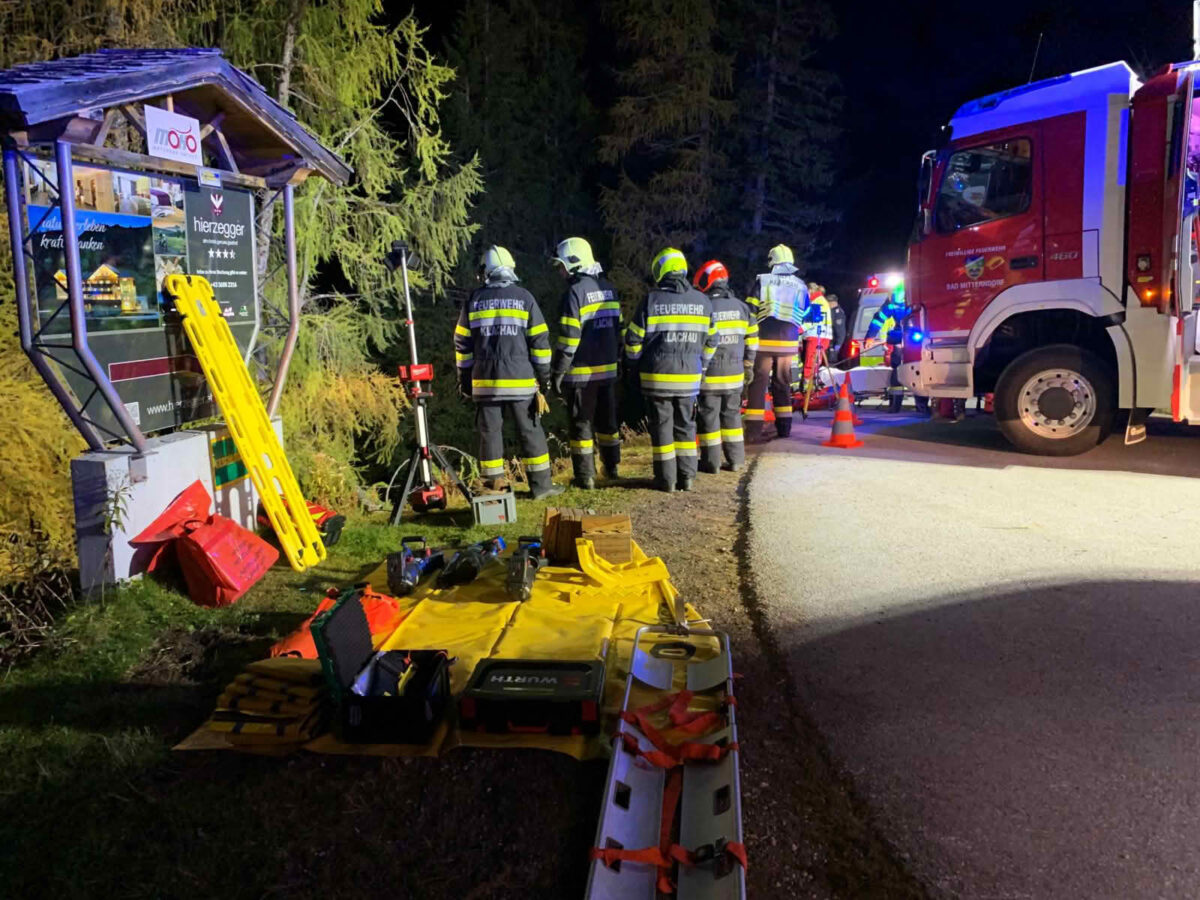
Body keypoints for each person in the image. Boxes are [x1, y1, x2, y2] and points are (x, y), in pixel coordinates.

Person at [454, 245, 563, 499]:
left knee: (490, 435)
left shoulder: (474, 300)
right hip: (521, 381)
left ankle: (493, 492)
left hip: (485, 382)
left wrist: (465, 379)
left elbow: (462, 344)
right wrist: (544, 378)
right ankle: (541, 487)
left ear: (486, 271)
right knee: (531, 432)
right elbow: (540, 342)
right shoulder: (525, 297)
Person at [625, 248, 717, 492]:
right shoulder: (703, 300)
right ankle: (687, 477)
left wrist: (633, 366)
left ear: (661, 270)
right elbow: (712, 341)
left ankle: (666, 480)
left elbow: (633, 340)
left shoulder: (651, 300)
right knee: (686, 424)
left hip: (657, 377)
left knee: (662, 427)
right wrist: (703, 367)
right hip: (689, 377)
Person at [549, 237, 622, 489]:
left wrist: (557, 373)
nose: (559, 272)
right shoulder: (609, 289)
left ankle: (585, 476)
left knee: (581, 424)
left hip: (580, 374)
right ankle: (611, 467)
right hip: (608, 371)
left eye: (561, 266)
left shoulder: (574, 293)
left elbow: (569, 340)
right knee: (608, 422)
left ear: (573, 263)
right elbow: (618, 331)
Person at [693, 259, 756, 473]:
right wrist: (748, 364)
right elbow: (753, 338)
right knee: (732, 416)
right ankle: (736, 460)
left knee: (709, 418)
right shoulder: (742, 307)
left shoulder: (703, 306)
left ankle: (711, 463)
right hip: (735, 374)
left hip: (709, 375)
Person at [744, 244, 807, 440]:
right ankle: (784, 428)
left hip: (763, 341)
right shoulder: (800, 285)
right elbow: (804, 311)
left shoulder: (763, 281)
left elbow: (750, 310)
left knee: (758, 384)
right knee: (783, 384)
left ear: (772, 261)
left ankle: (753, 431)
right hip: (788, 343)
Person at [798, 282, 832, 393]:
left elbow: (811, 321)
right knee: (815, 362)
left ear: (810, 291)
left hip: (816, 336)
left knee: (810, 361)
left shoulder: (817, 301)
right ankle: (812, 384)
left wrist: (797, 331)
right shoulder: (820, 300)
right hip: (822, 336)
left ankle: (808, 386)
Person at [828, 293, 847, 361]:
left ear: (832, 303)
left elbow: (840, 331)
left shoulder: (838, 313)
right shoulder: (833, 311)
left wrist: (838, 345)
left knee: (831, 363)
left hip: (833, 344)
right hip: (830, 343)